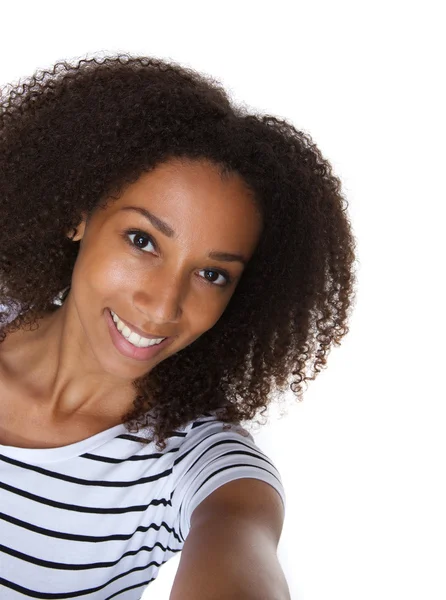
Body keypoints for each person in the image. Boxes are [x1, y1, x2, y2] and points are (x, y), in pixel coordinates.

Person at [0, 54, 357, 599]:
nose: (163, 305)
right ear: (80, 214)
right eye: (143, 241)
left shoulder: (195, 462)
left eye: (212, 274)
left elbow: (237, 533)